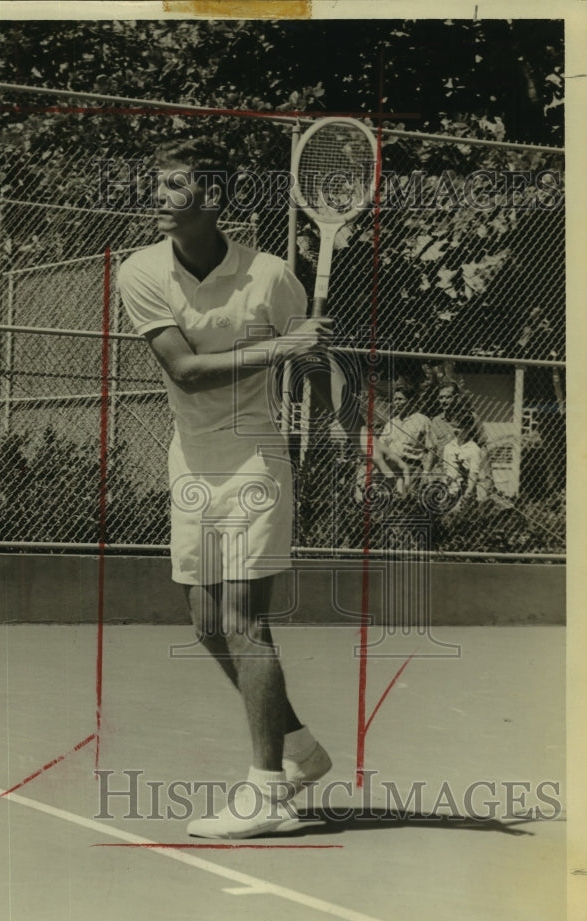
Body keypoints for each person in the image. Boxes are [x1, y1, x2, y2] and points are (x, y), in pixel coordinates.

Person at [117, 137, 393, 839]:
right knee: (207, 625)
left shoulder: (270, 277)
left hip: (253, 462)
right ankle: (300, 750)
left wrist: (348, 409)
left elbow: (318, 367)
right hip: (192, 461)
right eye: (159, 183)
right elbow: (184, 370)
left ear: (212, 197)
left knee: (244, 623)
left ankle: (269, 792)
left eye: (175, 186)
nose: (158, 196)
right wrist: (281, 348)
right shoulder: (141, 272)